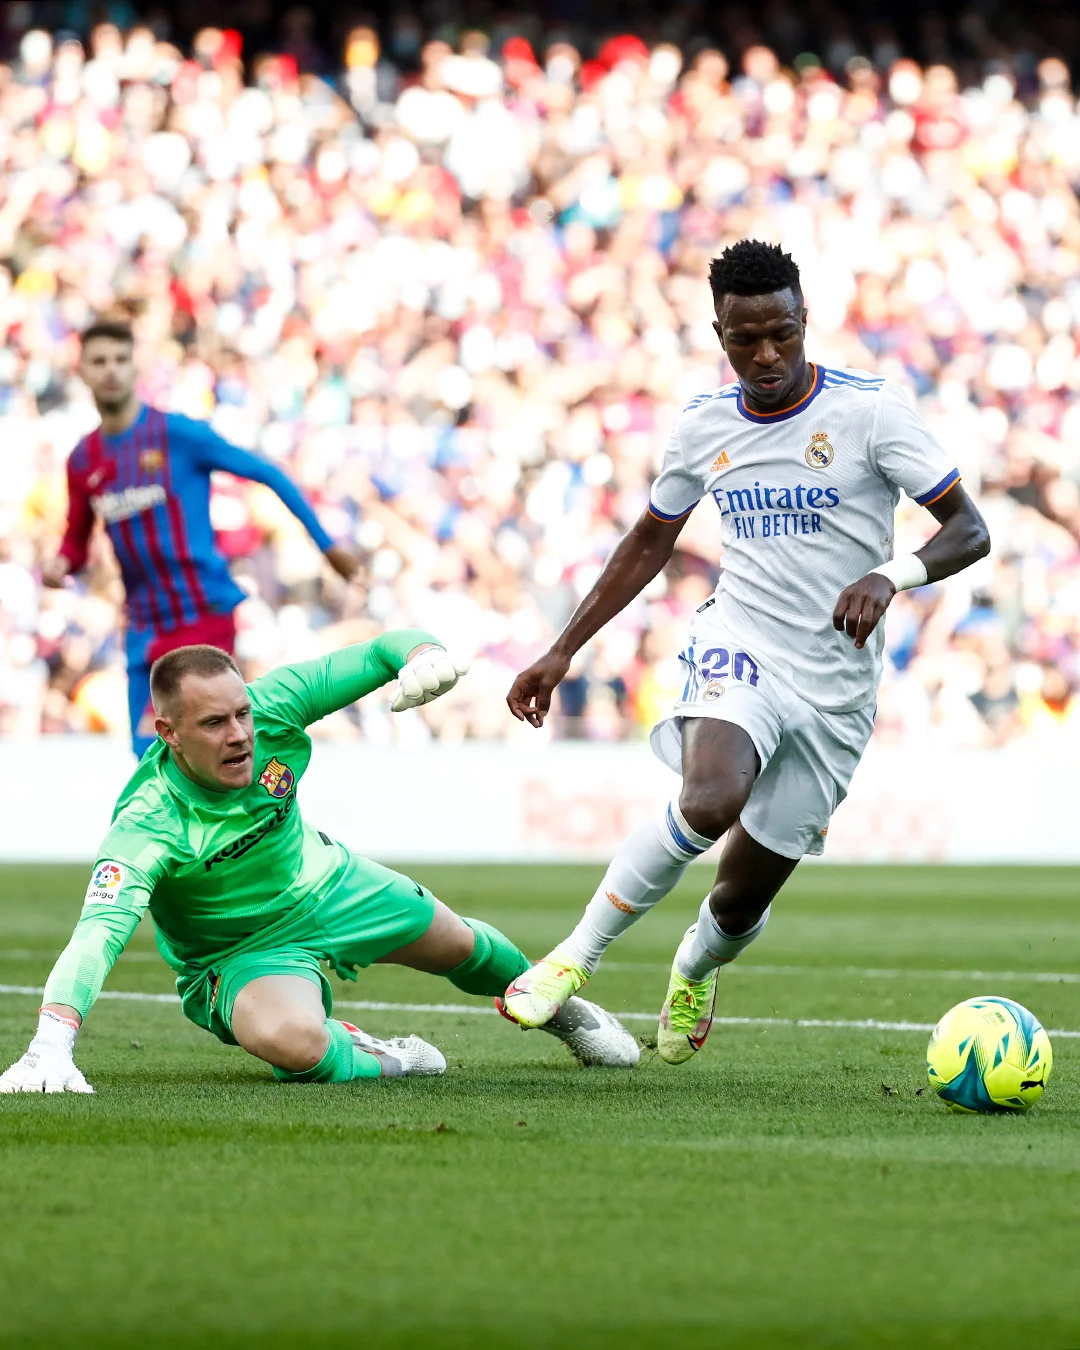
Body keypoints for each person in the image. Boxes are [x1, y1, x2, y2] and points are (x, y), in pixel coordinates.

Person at [502, 240, 990, 1064]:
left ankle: (695, 964)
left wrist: (891, 573)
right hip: (741, 644)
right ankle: (572, 957)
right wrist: (562, 649)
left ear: (806, 321)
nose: (766, 355)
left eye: (782, 334)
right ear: (719, 331)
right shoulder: (702, 425)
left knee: (736, 902)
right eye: (744, 339)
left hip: (835, 687)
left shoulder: (871, 412)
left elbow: (970, 529)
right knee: (710, 797)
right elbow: (649, 541)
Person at [0, 634, 638, 1093]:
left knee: (465, 947)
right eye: (216, 723)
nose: (241, 734)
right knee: (295, 1044)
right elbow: (98, 933)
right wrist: (53, 1040)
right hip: (239, 954)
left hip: (332, 884)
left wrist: (423, 657)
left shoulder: (275, 705)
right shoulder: (148, 824)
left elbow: (378, 652)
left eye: (243, 713)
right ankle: (381, 1057)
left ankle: (569, 1016)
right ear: (168, 733)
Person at [43, 320, 359, 756]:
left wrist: (328, 546)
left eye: (120, 359)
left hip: (201, 614)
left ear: (135, 368)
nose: (111, 370)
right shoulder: (83, 460)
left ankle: (265, 814)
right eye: (99, 361)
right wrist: (60, 564)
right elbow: (74, 540)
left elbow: (264, 471)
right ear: (83, 372)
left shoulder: (178, 434)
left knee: (209, 747)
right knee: (148, 754)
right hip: (144, 624)